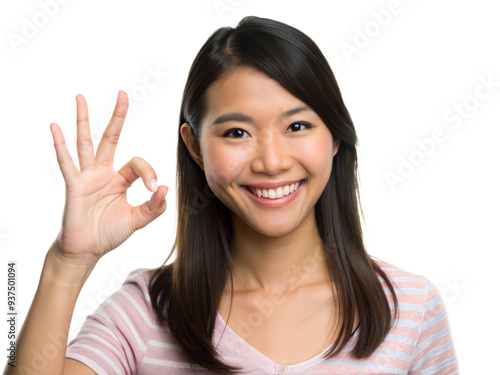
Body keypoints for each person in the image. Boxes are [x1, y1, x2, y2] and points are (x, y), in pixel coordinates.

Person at [3, 16, 459, 375]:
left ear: (334, 139)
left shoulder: (412, 309)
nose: (272, 161)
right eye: (237, 132)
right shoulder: (145, 310)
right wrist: (69, 262)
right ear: (195, 148)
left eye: (297, 126)